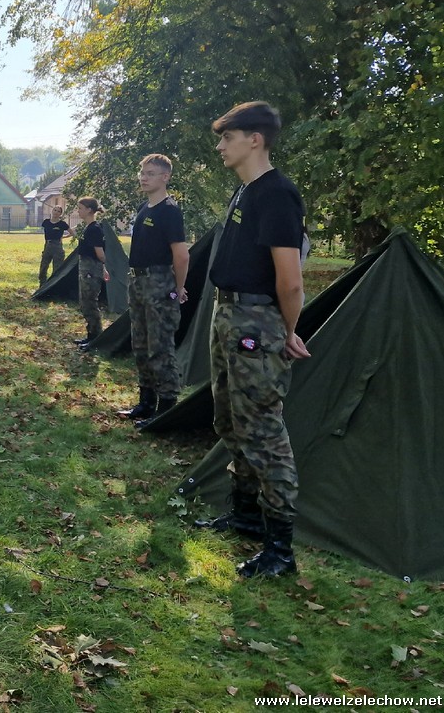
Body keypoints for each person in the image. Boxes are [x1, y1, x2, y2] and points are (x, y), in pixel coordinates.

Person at [193, 101, 310, 579]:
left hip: (257, 322)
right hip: (228, 314)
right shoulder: (246, 192)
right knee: (229, 420)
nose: (221, 146)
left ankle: (280, 550)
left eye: (228, 137)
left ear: (255, 139)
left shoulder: (277, 194)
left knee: (264, 434)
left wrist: (287, 329)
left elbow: (291, 279)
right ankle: (244, 515)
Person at [120, 155, 188, 421]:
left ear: (165, 177)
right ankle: (145, 402)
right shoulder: (144, 207)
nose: (143, 177)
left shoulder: (169, 211)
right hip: (137, 281)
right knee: (140, 343)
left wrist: (177, 288)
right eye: (142, 173)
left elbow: (181, 256)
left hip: (159, 281)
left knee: (159, 345)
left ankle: (166, 408)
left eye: (150, 173)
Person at [74, 197, 107, 349]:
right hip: (87, 269)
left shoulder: (94, 229)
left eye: (80, 208)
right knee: (85, 303)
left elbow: (100, 254)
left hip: (91, 271)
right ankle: (90, 335)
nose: (78, 211)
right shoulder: (89, 227)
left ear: (89, 210)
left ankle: (96, 338)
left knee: (90, 303)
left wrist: (103, 268)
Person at [38, 204, 71, 283]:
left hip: (57, 247)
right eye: (55, 210)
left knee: (57, 269)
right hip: (47, 245)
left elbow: (72, 233)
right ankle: (42, 285)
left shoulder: (62, 224)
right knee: (43, 267)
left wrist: (63, 237)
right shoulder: (46, 222)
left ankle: (54, 286)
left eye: (58, 211)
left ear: (60, 214)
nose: (56, 212)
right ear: (52, 211)